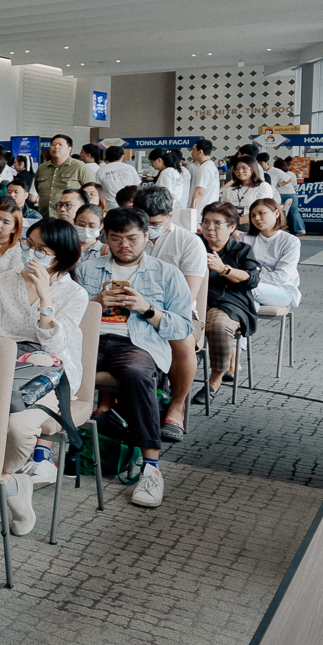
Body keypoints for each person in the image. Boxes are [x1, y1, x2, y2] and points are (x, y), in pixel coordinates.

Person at [0, 217, 89, 536]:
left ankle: (3, 480)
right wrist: (7, 358)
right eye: (28, 244)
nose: (31, 253)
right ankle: (13, 483)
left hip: (51, 376)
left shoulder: (75, 294)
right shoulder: (1, 281)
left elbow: (55, 347)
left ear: (61, 257)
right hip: (3, 367)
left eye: (42, 250)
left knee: (18, 427)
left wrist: (45, 299)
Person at [74, 209, 194, 508]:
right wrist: (95, 303)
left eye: (131, 238)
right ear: (107, 238)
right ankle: (40, 455)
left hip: (135, 343)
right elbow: (67, 314)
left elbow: (183, 328)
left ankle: (151, 468)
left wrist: (147, 309)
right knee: (53, 365)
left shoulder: (167, 273)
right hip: (90, 340)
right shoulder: (87, 269)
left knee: (137, 373)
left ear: (146, 237)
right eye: (116, 239)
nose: (124, 245)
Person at [132, 186, 206, 444]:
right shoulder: (128, 236)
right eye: (144, 222)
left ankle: (177, 405)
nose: (148, 229)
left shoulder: (189, 243)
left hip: (177, 313)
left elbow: (187, 298)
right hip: (132, 309)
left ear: (170, 215)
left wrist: (151, 311)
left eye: (155, 224)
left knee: (182, 339)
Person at [193, 205, 261, 406]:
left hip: (229, 302)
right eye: (206, 222)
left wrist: (224, 269)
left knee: (219, 325)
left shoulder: (241, 250)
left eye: (217, 223)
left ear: (232, 227)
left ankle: (215, 380)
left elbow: (252, 279)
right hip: (194, 299)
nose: (210, 228)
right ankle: (170, 380)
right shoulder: (194, 243)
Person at [243, 198, 302, 309]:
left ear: (276, 213)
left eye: (262, 213)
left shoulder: (291, 241)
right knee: (249, 302)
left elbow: (282, 276)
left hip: (282, 291)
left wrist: (248, 278)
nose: (257, 218)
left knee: (248, 289)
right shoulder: (244, 239)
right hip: (248, 286)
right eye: (253, 215)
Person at [33, 135, 96, 214]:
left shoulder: (80, 167)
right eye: (53, 144)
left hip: (69, 217)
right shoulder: (42, 168)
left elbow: (91, 193)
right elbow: (38, 189)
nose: (56, 147)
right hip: (44, 216)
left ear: (69, 148)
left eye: (60, 144)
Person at [185, 139, 221, 217]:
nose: (192, 152)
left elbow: (199, 192)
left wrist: (192, 212)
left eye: (194, 150)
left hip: (200, 212)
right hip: (209, 210)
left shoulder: (204, 168)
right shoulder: (211, 166)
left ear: (200, 152)